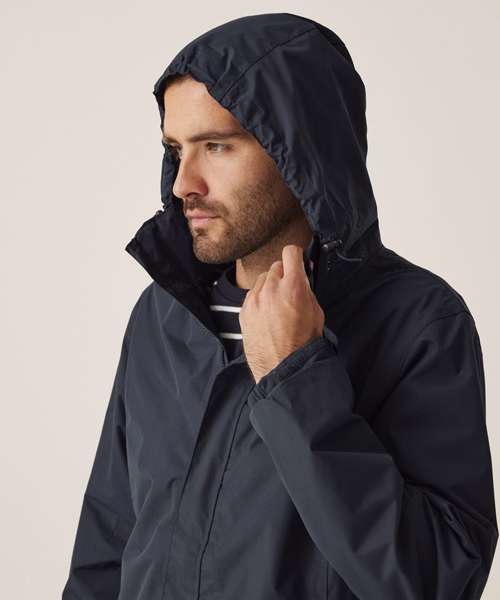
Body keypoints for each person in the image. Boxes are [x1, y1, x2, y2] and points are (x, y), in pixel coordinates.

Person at [62, 12, 498, 600]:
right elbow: (106, 550)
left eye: (217, 146)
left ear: (301, 150)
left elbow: (439, 582)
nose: (184, 183)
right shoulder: (161, 316)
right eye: (175, 148)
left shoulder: (418, 323)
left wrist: (297, 380)